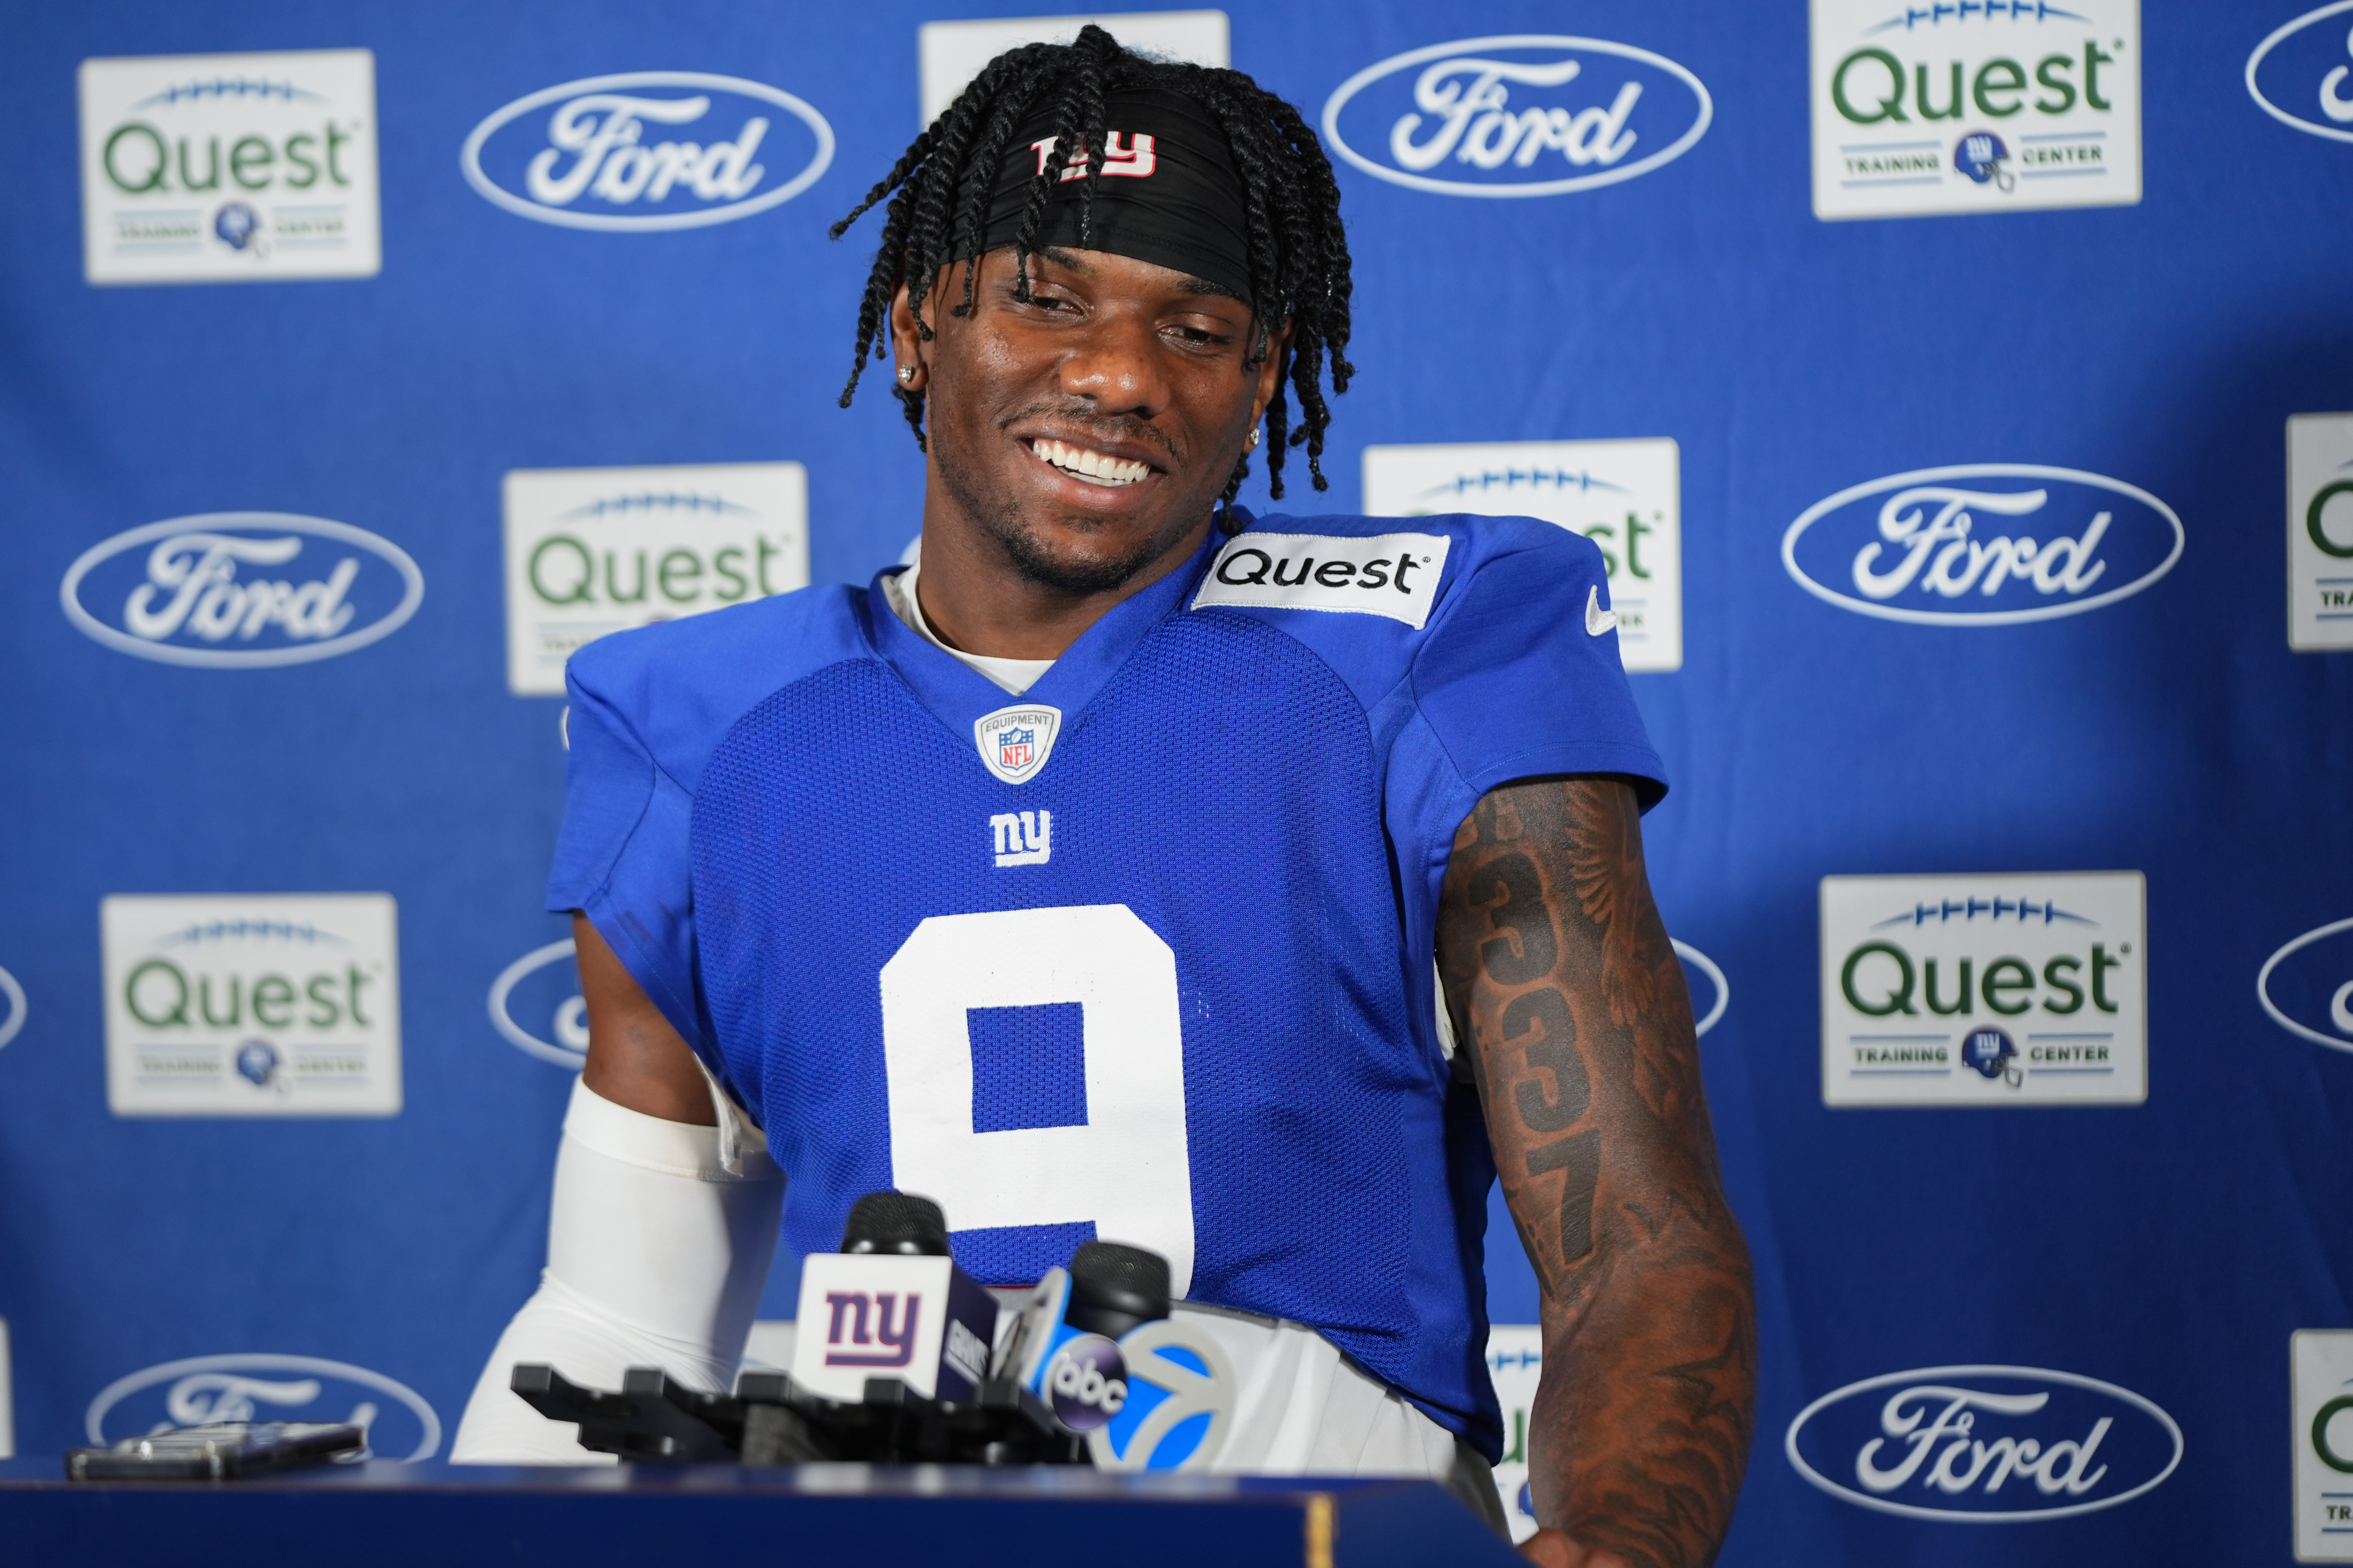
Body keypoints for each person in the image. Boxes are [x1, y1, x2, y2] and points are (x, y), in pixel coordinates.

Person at [453, 26, 1755, 1568]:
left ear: (1266, 372)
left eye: (1198, 329)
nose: (1121, 376)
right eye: (1043, 297)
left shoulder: (1414, 649)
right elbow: (621, 1307)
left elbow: (1632, 1238)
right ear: (916, 324)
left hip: (1322, 1522)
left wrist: (1611, 1539)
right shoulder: (705, 727)